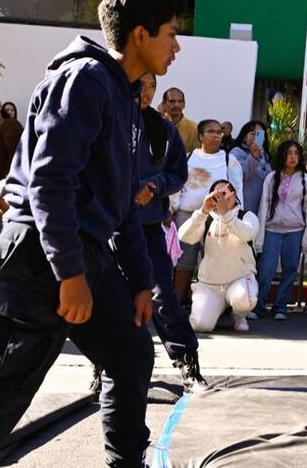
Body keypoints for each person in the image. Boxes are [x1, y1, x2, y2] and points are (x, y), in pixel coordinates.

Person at [0, 0, 184, 468]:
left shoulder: (128, 98)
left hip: (86, 250)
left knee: (131, 352)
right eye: (171, 34)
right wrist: (69, 274)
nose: (177, 46)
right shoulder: (84, 79)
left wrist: (139, 282)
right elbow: (50, 182)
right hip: (40, 250)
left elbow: (126, 202)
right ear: (138, 35)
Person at [131, 72, 205, 393]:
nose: (145, 92)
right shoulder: (105, 121)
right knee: (112, 300)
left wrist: (155, 185)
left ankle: (188, 363)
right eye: (139, 85)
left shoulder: (163, 130)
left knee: (163, 295)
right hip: (108, 227)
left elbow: (177, 174)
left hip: (147, 227)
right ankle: (105, 369)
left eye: (151, 87)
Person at [171, 120, 245, 303]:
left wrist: (234, 215)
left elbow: (237, 191)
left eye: (219, 132)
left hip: (218, 219)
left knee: (216, 262)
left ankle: (216, 306)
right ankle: (177, 304)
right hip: (188, 216)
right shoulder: (187, 158)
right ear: (200, 136)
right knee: (184, 263)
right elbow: (176, 187)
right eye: (211, 132)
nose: (216, 136)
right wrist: (170, 210)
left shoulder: (229, 160)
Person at [179, 180, 260, 333]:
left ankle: (238, 314)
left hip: (240, 279)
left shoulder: (247, 216)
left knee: (245, 299)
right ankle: (215, 310)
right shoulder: (207, 219)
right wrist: (202, 212)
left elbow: (247, 234)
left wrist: (227, 215)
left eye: (226, 192)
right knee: (200, 325)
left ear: (234, 194)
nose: (223, 197)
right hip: (210, 285)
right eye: (218, 194)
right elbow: (184, 236)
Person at [253, 140, 307, 321]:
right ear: (282, 155)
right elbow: (263, 207)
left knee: (290, 270)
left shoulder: (306, 179)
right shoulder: (272, 178)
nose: (293, 157)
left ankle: (280, 307)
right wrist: (260, 238)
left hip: (295, 231)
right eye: (289, 153)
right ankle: (258, 307)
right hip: (272, 230)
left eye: (296, 153)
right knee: (266, 270)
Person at [229, 121, 272, 216]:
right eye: (253, 133)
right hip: (245, 208)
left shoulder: (265, 155)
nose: (256, 137)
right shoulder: (236, 153)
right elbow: (240, 177)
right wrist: (253, 157)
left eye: (260, 134)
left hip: (261, 207)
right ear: (244, 137)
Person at [160, 87, 199, 153]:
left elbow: (197, 157)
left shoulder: (193, 128)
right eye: (172, 101)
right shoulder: (155, 124)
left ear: (184, 105)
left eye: (180, 101)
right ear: (163, 104)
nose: (176, 105)